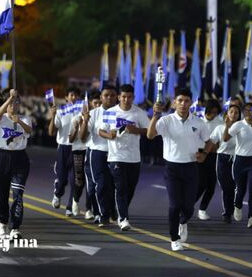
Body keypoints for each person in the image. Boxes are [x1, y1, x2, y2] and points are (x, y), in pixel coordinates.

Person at [147, 87, 213, 251]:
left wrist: (204, 154)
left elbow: (209, 141)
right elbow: (149, 135)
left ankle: (183, 222)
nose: (183, 104)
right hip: (172, 168)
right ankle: (174, 238)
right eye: (180, 100)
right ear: (174, 102)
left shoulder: (198, 122)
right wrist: (155, 116)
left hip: (191, 167)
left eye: (186, 101)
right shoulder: (166, 120)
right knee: (175, 205)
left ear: (191, 103)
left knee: (189, 207)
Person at [100, 84, 150, 231]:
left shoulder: (138, 113)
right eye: (123, 97)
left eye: (129, 97)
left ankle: (119, 210)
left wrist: (135, 130)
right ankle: (124, 218)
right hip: (116, 156)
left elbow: (148, 131)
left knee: (130, 188)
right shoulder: (111, 112)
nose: (126, 100)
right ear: (118, 97)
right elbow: (101, 131)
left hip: (134, 157)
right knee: (120, 187)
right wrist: (110, 135)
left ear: (133, 97)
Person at [0, 89, 32, 240]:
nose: (13, 106)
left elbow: (29, 131)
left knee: (18, 194)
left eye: (16, 102)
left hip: (19, 158)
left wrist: (19, 121)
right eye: (10, 103)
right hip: (1, 156)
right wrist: (9, 98)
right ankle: (2, 223)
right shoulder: (0, 119)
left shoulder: (26, 119)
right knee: (1, 194)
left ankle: (15, 227)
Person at [80, 86, 118, 227]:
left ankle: (112, 208)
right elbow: (83, 138)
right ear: (101, 97)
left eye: (112, 95)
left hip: (117, 154)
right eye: (106, 95)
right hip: (97, 153)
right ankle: (102, 214)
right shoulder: (94, 113)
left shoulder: (120, 113)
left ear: (116, 97)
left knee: (114, 186)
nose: (109, 98)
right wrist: (85, 120)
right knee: (100, 186)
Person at [223, 102, 252, 229]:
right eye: (246, 110)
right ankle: (238, 205)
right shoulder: (238, 125)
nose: (249, 112)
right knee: (240, 190)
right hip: (240, 161)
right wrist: (226, 125)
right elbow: (225, 138)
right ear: (244, 112)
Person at [48, 86, 81, 215]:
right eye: (71, 95)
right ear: (66, 97)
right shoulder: (61, 111)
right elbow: (51, 132)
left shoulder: (81, 112)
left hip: (77, 148)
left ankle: (69, 207)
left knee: (75, 181)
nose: (74, 98)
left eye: (76, 95)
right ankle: (57, 193)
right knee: (62, 180)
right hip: (63, 148)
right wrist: (52, 116)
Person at [209, 104, 240, 223]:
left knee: (235, 188)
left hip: (237, 159)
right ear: (227, 114)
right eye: (231, 111)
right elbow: (212, 142)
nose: (233, 114)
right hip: (222, 159)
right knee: (227, 188)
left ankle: (232, 210)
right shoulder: (219, 128)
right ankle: (227, 213)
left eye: (236, 112)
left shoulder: (241, 128)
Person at [195, 99, 223, 220]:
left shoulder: (219, 121)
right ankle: (187, 205)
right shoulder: (197, 119)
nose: (213, 115)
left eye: (216, 112)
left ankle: (202, 209)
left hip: (213, 155)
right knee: (201, 183)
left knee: (211, 185)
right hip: (199, 154)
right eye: (211, 112)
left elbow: (221, 138)